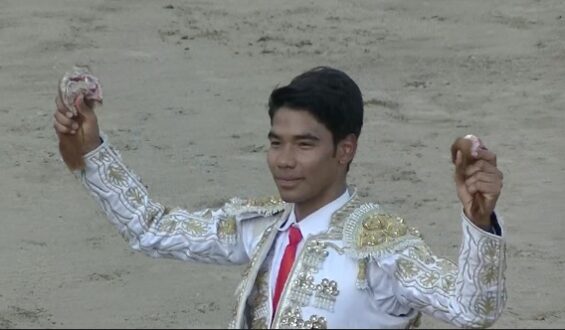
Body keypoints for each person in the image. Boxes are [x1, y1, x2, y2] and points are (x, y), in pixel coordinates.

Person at [53, 66, 506, 329]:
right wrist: (92, 147)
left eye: (304, 145)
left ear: (345, 149)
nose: (284, 160)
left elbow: (473, 308)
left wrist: (478, 225)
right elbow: (150, 228)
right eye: (276, 142)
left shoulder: (381, 245)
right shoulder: (264, 227)